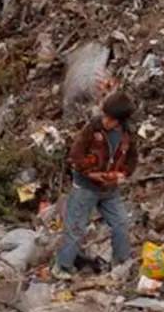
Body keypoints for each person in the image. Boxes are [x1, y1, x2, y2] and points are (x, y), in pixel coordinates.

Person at [53, 92, 138, 280]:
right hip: (85, 187)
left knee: (121, 223)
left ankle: (121, 264)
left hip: (109, 189)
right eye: (105, 116)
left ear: (120, 121)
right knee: (76, 228)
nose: (106, 121)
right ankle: (63, 267)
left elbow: (132, 159)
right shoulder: (92, 129)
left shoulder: (128, 134)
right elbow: (75, 155)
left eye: (111, 119)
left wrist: (122, 174)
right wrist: (90, 172)